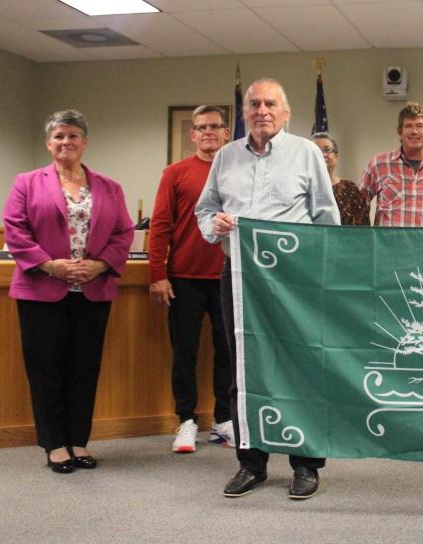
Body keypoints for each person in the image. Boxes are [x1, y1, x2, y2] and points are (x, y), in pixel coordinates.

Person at [196, 78, 340, 501]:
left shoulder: (307, 153)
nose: (262, 110)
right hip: (238, 276)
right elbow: (205, 209)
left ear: (286, 111)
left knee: (300, 367)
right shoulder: (225, 156)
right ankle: (250, 462)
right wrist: (214, 224)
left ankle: (306, 464)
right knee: (242, 368)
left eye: (270, 103)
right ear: (244, 112)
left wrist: (319, 276)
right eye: (254, 104)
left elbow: (325, 217)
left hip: (294, 280)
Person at [2, 109, 133, 474]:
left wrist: (102, 264)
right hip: (41, 289)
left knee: (84, 368)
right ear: (48, 142)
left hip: (92, 290)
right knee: (46, 369)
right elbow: (15, 229)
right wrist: (49, 264)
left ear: (85, 143)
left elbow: (124, 232)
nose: (66, 142)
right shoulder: (27, 182)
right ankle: (54, 444)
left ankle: (78, 441)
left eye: (73, 136)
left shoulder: (109, 186)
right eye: (59, 136)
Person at [149, 105, 234, 454]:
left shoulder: (239, 171)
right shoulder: (175, 173)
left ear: (227, 132)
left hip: (229, 276)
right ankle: (186, 420)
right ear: (193, 134)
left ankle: (223, 421)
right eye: (202, 127)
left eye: (215, 126)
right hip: (184, 277)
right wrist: (158, 275)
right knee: (184, 352)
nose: (209, 132)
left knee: (228, 353)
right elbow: (160, 226)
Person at [358, 101, 423, 227]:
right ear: (400, 132)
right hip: (387, 246)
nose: (414, 131)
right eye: (408, 126)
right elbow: (358, 208)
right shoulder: (378, 165)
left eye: (420, 126)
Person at [312, 132, 369, 225]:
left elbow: (363, 224)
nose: (322, 154)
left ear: (336, 157)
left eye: (327, 150)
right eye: (316, 150)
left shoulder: (350, 189)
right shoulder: (302, 189)